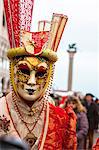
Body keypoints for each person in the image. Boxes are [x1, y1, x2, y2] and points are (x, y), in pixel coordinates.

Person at [0, 0, 77, 149]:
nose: (32, 81)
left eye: (41, 73)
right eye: (24, 71)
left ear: (48, 76)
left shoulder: (61, 118)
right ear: (13, 71)